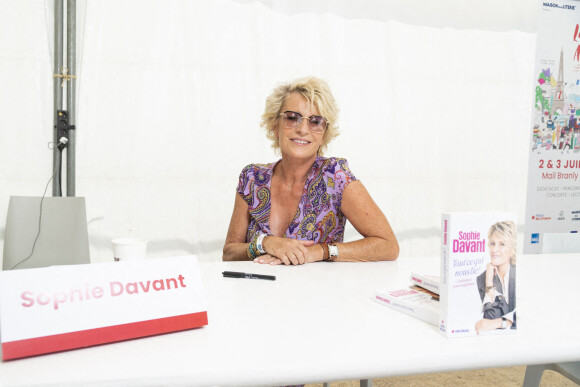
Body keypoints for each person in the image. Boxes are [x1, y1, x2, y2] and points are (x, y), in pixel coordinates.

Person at [223, 77, 399, 264]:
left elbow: (388, 246)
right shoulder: (252, 178)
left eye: (315, 122)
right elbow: (229, 253)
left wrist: (321, 251)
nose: (303, 129)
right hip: (257, 290)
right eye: (292, 118)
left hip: (318, 291)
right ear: (275, 126)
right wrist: (264, 243)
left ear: (324, 134)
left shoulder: (336, 177)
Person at [475, 220, 516, 333]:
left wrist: (501, 322)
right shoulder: (483, 278)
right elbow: (490, 320)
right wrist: (489, 283)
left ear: (512, 249)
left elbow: (525, 317)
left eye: (502, 244)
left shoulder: (518, 273)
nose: (494, 250)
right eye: (492, 244)